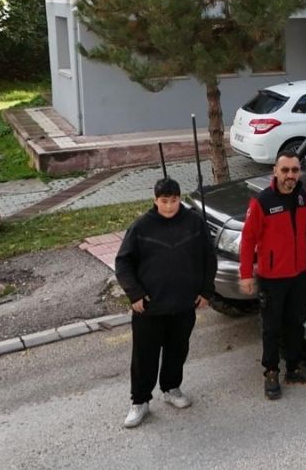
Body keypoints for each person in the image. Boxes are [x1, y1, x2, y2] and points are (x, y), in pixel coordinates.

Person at [114, 178, 216, 429]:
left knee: (177, 350)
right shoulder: (141, 227)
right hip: (149, 307)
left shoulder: (194, 222)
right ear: (155, 200)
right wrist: (135, 294)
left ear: (179, 198)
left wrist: (206, 290)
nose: (169, 206)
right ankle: (139, 401)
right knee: (144, 356)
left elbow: (208, 257)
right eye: (164, 201)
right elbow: (123, 263)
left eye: (173, 200)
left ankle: (171, 388)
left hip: (184, 304)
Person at [239, 150, 306, 400]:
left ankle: (294, 368)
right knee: (272, 328)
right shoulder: (262, 202)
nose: (290, 175)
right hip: (272, 278)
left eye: (295, 170)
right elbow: (247, 241)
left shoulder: (303, 199)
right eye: (285, 170)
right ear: (275, 171)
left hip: (298, 275)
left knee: (295, 323)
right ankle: (271, 371)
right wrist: (246, 275)